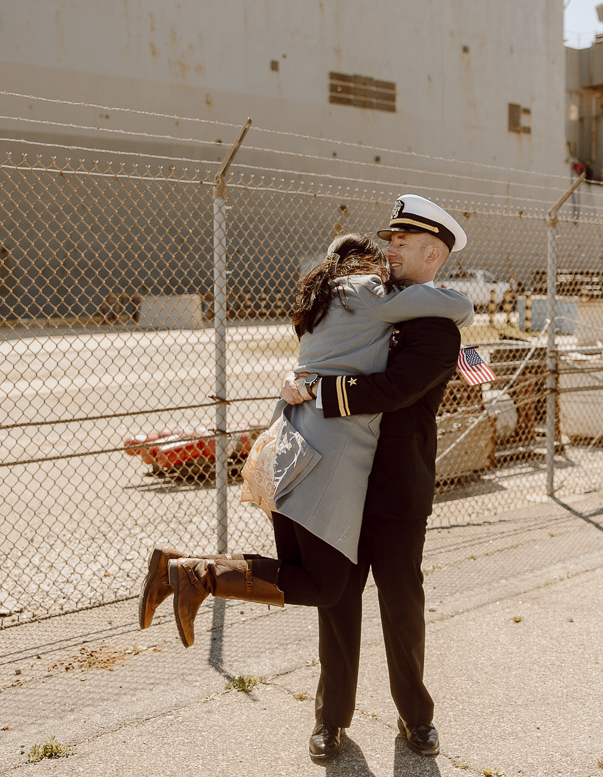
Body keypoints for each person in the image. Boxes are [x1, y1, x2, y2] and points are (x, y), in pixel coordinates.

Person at [138, 225, 473, 655]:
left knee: (301, 572)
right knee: (324, 585)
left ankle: (183, 569)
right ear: (365, 265)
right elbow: (456, 305)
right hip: (324, 455)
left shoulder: (320, 298)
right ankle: (196, 573)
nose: (389, 260)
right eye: (384, 254)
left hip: (287, 443)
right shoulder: (367, 291)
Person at [281, 194, 468, 762]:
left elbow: (391, 391)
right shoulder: (369, 300)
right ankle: (330, 719)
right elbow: (322, 350)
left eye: (403, 243)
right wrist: (297, 376)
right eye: (390, 239)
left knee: (402, 603)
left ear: (432, 254)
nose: (390, 249)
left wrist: (315, 390)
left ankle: (416, 715)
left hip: (394, 487)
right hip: (340, 479)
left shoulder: (436, 324)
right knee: (337, 603)